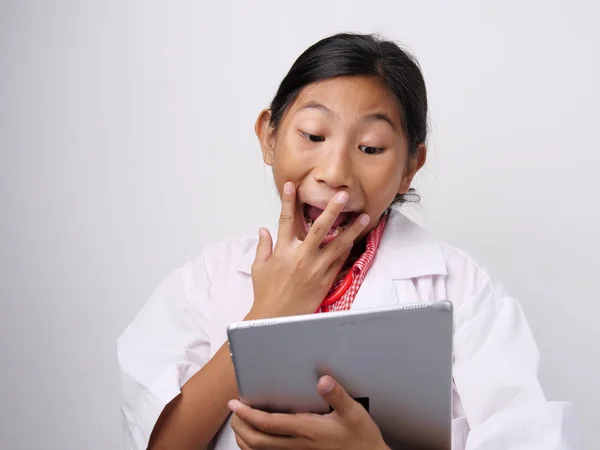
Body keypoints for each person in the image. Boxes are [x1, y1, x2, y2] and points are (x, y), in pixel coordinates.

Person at [118, 33, 580, 449]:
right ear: (269, 137)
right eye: (313, 135)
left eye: (372, 148)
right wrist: (267, 315)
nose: (336, 172)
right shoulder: (208, 280)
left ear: (409, 168)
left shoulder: (466, 292)